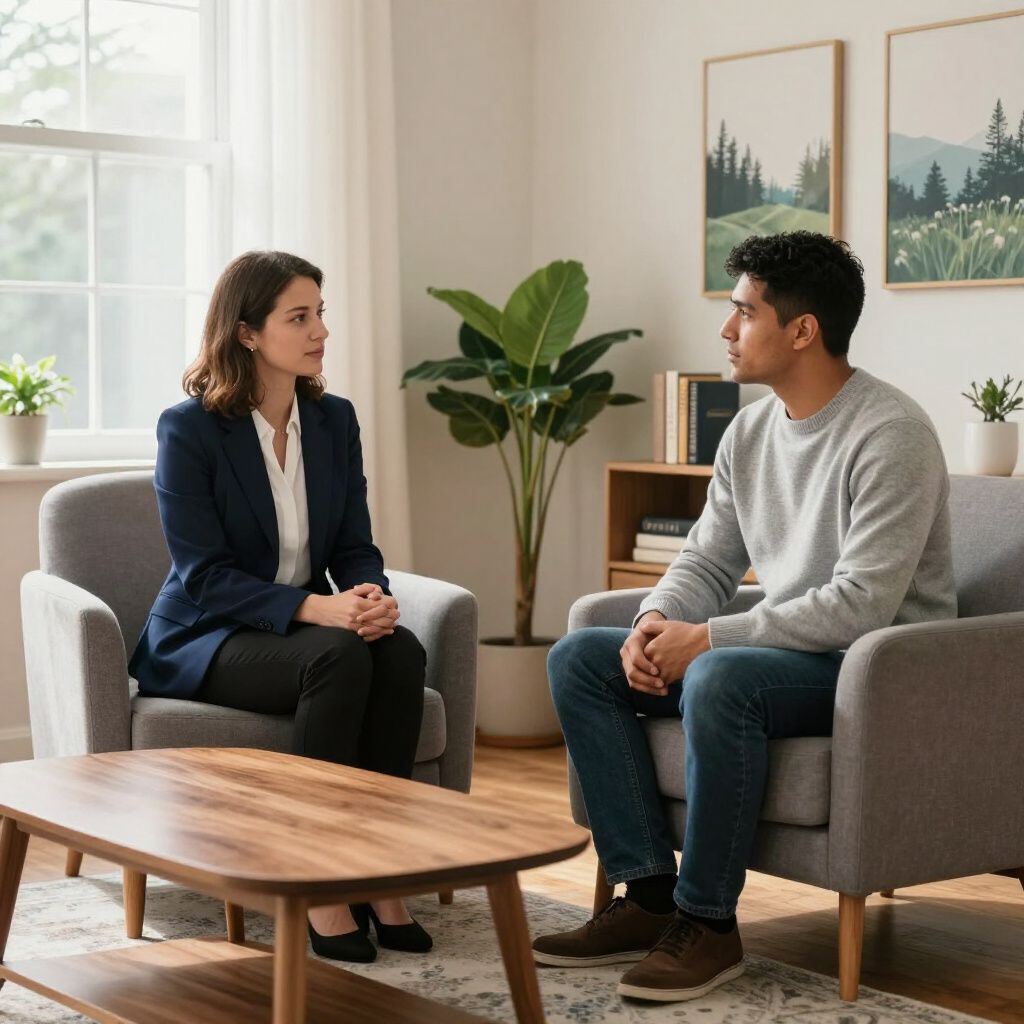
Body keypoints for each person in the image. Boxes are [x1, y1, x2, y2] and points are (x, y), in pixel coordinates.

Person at [532, 232, 957, 1002]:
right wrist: (655, 620)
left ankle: (710, 923)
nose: (727, 331)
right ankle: (648, 897)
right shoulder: (750, 430)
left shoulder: (892, 434)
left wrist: (711, 639)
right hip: (790, 649)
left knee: (722, 677)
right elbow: (707, 559)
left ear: (802, 330)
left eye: (743, 312)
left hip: (875, 666)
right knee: (581, 658)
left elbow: (862, 603)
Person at [130, 250, 431, 964]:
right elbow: (203, 576)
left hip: (299, 627)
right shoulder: (189, 429)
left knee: (400, 651)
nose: (319, 329)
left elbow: (354, 542)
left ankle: (382, 870)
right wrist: (316, 613)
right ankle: (317, 880)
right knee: (334, 655)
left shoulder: (333, 421)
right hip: (205, 635)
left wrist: (368, 597)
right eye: (299, 316)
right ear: (247, 333)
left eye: (320, 312)